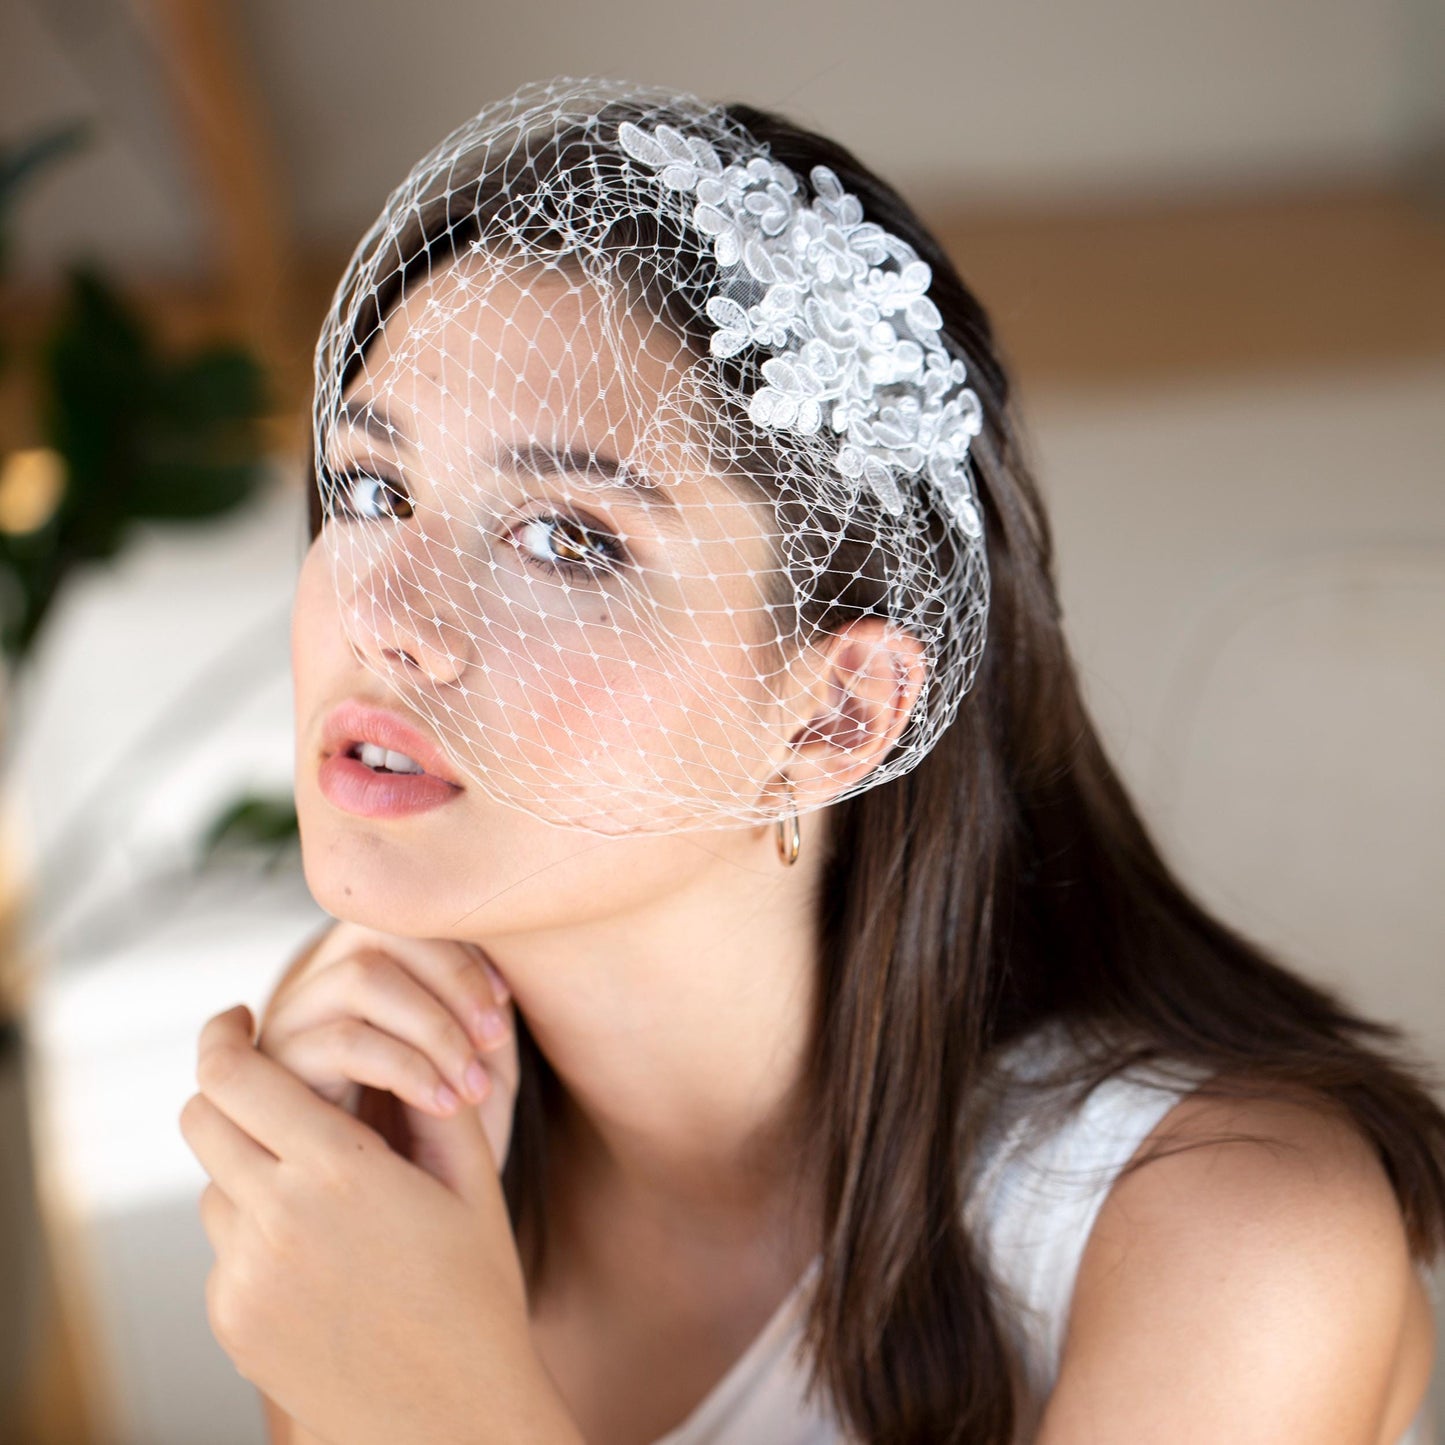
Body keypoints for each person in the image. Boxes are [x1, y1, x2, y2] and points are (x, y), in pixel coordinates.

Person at [243, 79, 1443, 1443]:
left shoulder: (1242, 1242)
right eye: (371, 488)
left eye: (563, 539)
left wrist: (442, 1405)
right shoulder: (378, 1075)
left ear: (833, 718)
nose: (381, 615)